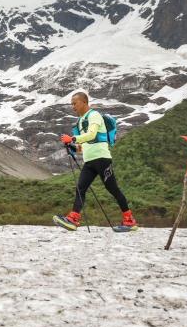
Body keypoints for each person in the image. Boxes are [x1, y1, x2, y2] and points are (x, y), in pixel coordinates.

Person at [53, 91, 138, 232]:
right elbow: (84, 144)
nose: (73, 107)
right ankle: (73, 219)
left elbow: (92, 135)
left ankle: (129, 221)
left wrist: (72, 139)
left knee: (113, 189)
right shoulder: (80, 121)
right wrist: (73, 148)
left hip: (102, 159)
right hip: (90, 161)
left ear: (84, 102)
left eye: (75, 103)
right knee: (80, 189)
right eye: (71, 104)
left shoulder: (94, 115)